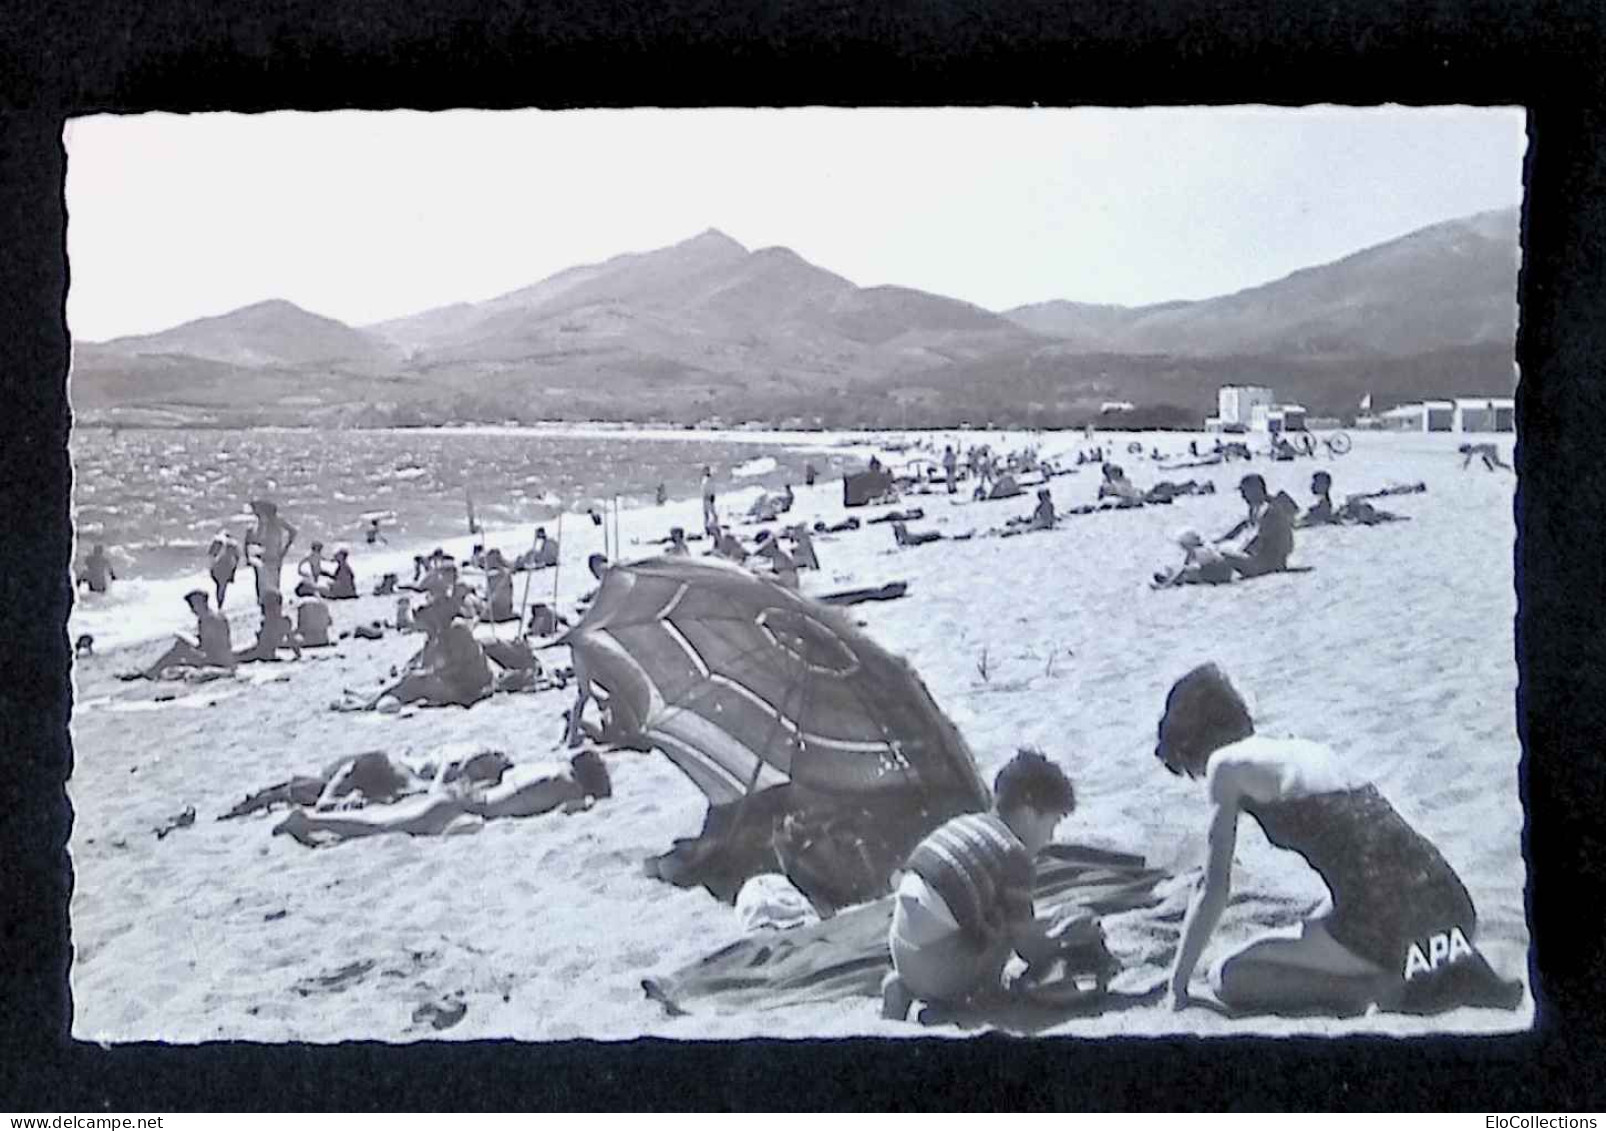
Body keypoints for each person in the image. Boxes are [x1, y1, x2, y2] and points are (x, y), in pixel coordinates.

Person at [1155, 664, 1525, 1016]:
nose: (1200, 776)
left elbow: (1213, 887)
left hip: (1390, 928)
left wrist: (1178, 986)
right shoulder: (1300, 749)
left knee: (1228, 975)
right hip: (1455, 913)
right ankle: (1444, 969)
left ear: (1193, 743)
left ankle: (1382, 990)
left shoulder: (1226, 764)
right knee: (1322, 914)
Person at [880, 748, 1083, 1020]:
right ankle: (964, 1002)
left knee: (972, 911)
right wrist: (1052, 954)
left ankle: (904, 986)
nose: (1050, 837)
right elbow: (1023, 941)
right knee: (1005, 925)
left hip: (902, 952)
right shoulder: (1013, 853)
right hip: (942, 971)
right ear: (1028, 810)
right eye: (1052, 823)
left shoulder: (966, 824)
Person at [271, 750, 613, 847]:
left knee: (385, 823)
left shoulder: (542, 768)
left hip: (463, 797)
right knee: (381, 827)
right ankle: (311, 820)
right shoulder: (567, 787)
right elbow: (573, 808)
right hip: (464, 807)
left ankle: (315, 819)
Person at [124, 590, 235, 679]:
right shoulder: (215, 617)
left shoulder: (208, 620)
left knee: (180, 648)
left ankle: (151, 672)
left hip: (216, 660)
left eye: (193, 605)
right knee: (180, 650)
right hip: (223, 657)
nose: (192, 609)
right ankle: (152, 671)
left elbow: (206, 647)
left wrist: (189, 641)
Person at [1220, 476, 1298, 578]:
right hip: (1266, 559)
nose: (1242, 496)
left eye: (1244, 491)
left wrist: (1239, 553)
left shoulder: (1270, 510)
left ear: (1256, 490)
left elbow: (1259, 540)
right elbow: (1243, 526)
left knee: (1222, 555)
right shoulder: (1259, 507)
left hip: (1269, 564)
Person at [245, 499, 297, 608]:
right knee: (265, 582)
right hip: (267, 555)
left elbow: (293, 531)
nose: (255, 512)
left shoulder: (275, 521)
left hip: (272, 555)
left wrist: (285, 549)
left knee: (270, 582)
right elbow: (251, 541)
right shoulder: (260, 523)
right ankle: (266, 604)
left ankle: (270, 604)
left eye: (257, 509)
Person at [234, 590, 304, 663]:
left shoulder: (280, 622)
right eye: (267, 607)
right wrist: (298, 655)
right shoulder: (273, 622)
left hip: (261, 653)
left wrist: (298, 655)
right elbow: (292, 641)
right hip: (259, 652)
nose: (268, 610)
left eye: (271, 607)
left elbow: (292, 641)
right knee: (237, 656)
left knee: (238, 656)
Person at [1153, 529, 1235, 588]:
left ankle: (1169, 581)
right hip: (1224, 573)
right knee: (1183, 571)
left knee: (1185, 572)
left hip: (1216, 575)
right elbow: (1187, 563)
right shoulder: (1204, 547)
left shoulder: (1199, 552)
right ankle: (1171, 577)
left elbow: (1191, 566)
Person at [208, 531, 242, 608]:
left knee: (219, 585)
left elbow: (211, 554)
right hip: (228, 566)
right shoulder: (234, 543)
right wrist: (234, 570)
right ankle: (220, 604)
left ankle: (219, 604)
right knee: (222, 586)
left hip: (218, 565)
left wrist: (211, 566)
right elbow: (238, 557)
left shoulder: (217, 540)